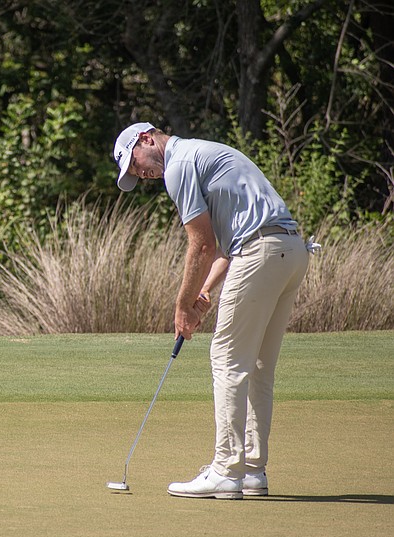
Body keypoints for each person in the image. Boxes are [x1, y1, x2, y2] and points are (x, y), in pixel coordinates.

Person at [114, 122, 316, 499]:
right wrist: (204, 291)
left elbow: (202, 245)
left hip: (261, 252)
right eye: (133, 174)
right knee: (257, 366)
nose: (139, 174)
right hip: (290, 252)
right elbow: (225, 246)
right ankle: (252, 470)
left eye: (134, 164)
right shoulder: (202, 152)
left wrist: (182, 307)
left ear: (146, 139)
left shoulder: (179, 164)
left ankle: (225, 470)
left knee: (226, 359)